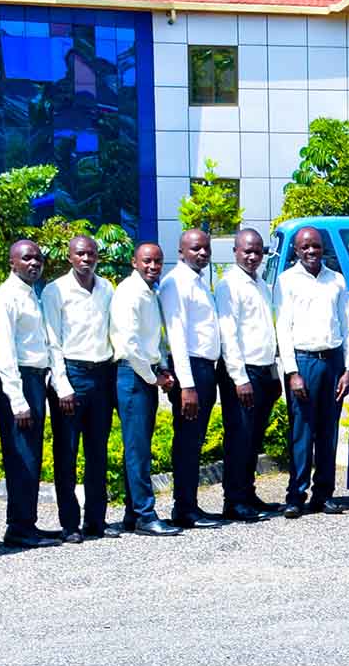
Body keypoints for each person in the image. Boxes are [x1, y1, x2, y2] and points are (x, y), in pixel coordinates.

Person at [275, 227, 349, 518]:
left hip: (333, 362)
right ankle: (296, 496)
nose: (311, 251)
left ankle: (323, 494)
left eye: (316, 246)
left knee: (328, 432)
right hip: (303, 362)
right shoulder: (286, 281)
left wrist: (348, 369)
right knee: (302, 432)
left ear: (323, 248)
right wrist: (292, 372)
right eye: (305, 247)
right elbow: (283, 328)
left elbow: (348, 326)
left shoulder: (336, 280)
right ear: (296, 250)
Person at [40, 235, 116, 543]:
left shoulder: (106, 287)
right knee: (67, 453)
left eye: (91, 254)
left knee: (98, 452)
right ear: (69, 257)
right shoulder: (55, 290)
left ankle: (96, 521)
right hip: (71, 375)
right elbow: (52, 340)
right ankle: (70, 524)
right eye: (80, 254)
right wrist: (62, 385)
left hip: (101, 375)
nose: (86, 259)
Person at [0, 239, 60, 549]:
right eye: (27, 258)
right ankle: (18, 528)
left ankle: (26, 522)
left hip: (34, 380)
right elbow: (4, 351)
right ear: (12, 263)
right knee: (21, 456)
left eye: (38, 258)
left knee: (31, 455)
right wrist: (18, 401)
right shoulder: (4, 298)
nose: (34, 263)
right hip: (17, 382)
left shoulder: (31, 294)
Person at [110, 243, 178, 537]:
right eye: (147, 261)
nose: (153, 266)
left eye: (158, 261)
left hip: (144, 373)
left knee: (140, 446)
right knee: (137, 449)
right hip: (132, 375)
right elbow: (129, 344)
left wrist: (161, 366)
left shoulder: (150, 292)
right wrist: (152, 378)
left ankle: (132, 512)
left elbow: (153, 339)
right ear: (134, 262)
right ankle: (144, 515)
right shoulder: (129, 292)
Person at [158, 230, 224, 529]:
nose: (202, 253)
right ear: (181, 251)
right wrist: (187, 385)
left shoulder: (198, 281)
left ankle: (190, 504)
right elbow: (176, 336)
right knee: (187, 440)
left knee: (194, 441)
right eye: (196, 248)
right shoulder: (175, 283)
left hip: (204, 369)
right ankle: (184, 508)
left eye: (206, 248)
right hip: (191, 371)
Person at [214, 228, 281, 522]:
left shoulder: (261, 283)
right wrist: (239, 379)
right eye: (247, 251)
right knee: (239, 438)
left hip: (263, 370)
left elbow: (267, 331)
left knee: (253, 438)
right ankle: (234, 500)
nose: (253, 257)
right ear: (235, 252)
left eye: (257, 251)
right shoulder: (229, 285)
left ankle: (248, 493)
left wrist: (274, 372)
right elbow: (228, 335)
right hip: (242, 374)